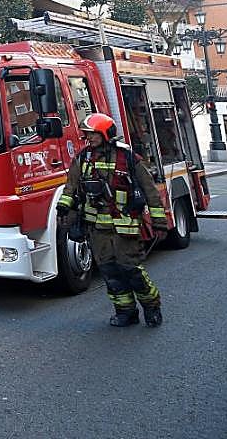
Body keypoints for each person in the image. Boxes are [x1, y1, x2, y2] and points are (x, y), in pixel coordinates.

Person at [56, 113, 168, 327]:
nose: (89, 138)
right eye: (87, 134)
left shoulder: (127, 158)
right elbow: (71, 188)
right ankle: (126, 312)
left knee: (131, 270)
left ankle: (151, 307)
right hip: (97, 228)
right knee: (110, 272)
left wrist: (159, 222)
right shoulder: (83, 158)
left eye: (93, 134)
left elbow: (150, 192)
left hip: (124, 226)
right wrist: (63, 209)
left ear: (106, 134)